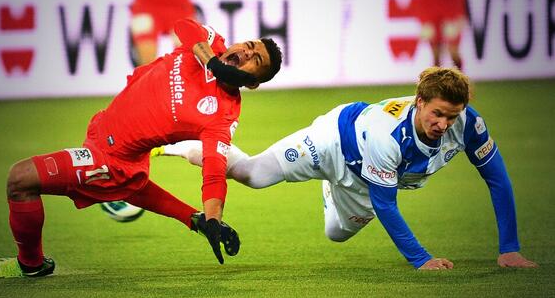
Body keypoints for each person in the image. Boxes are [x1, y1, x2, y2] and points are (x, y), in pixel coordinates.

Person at [157, 67, 538, 270]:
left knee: (336, 234)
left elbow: (498, 181)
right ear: (419, 102)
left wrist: (509, 250)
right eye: (437, 114)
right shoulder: (390, 137)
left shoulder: (468, 126)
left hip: (364, 177)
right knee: (252, 176)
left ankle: (330, 190)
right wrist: (421, 260)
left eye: (451, 116)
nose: (443, 124)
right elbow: (387, 205)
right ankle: (174, 143)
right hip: (332, 143)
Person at [0, 18, 283, 278]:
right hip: (104, 134)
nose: (246, 52)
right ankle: (194, 221)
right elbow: (184, 26)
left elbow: (215, 171)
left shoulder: (223, 113)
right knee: (131, 185)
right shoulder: (209, 44)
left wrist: (214, 218)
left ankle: (30, 265)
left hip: (107, 160)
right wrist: (212, 63)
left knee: (20, 179)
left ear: (253, 83)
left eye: (255, 60)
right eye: (249, 44)